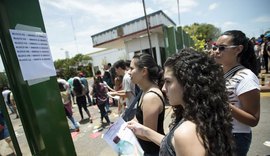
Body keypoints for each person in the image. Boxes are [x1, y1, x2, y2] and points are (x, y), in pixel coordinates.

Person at [128, 48, 235, 156]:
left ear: (187, 83)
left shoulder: (185, 132)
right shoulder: (204, 117)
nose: (164, 88)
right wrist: (144, 131)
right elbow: (171, 145)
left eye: (168, 82)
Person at [212, 30, 260, 156]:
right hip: (217, 133)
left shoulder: (246, 77)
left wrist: (224, 104)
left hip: (235, 137)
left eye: (222, 48)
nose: (216, 51)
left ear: (238, 49)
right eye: (215, 47)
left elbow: (253, 120)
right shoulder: (218, 72)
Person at [128, 53, 165, 156]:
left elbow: (149, 135)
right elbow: (137, 119)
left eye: (131, 69)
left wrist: (127, 130)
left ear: (144, 71)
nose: (129, 72)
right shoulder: (144, 91)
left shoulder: (150, 97)